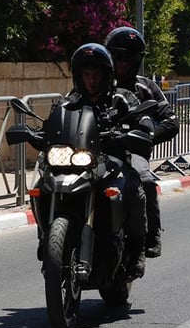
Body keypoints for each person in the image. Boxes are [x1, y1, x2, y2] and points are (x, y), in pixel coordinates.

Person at [63, 43, 154, 279]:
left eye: (96, 75)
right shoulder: (71, 101)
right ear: (79, 76)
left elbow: (143, 121)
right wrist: (38, 133)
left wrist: (135, 133)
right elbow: (56, 122)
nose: (91, 80)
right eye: (86, 75)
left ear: (106, 75)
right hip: (79, 162)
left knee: (135, 189)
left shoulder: (122, 98)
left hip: (113, 161)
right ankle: (50, 238)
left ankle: (137, 250)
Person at [104, 26, 179, 259]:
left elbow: (171, 121)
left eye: (128, 59)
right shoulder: (93, 83)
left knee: (144, 180)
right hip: (97, 149)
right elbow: (69, 110)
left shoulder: (146, 87)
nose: (122, 63)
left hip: (131, 149)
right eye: (117, 57)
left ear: (136, 61)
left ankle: (151, 235)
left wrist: (146, 136)